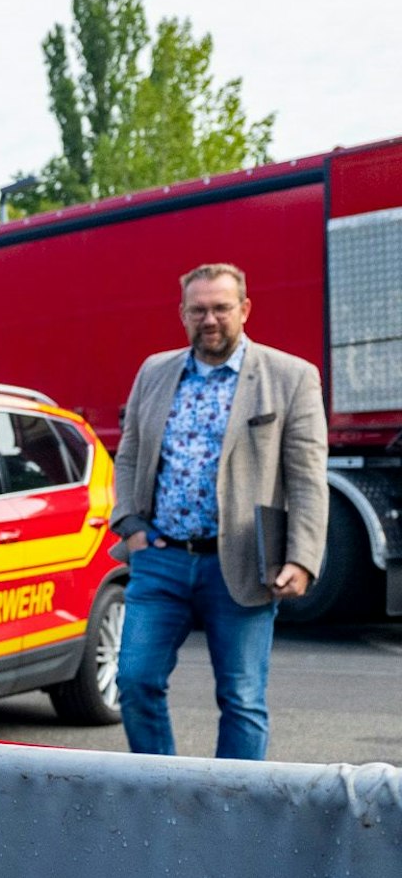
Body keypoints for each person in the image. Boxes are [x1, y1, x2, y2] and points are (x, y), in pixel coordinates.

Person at [110, 263, 327, 760]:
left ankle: (235, 814)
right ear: (183, 313)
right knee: (135, 681)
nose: (210, 319)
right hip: (160, 556)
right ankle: (161, 791)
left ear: (244, 309)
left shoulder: (290, 377)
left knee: (242, 699)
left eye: (221, 308)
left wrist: (301, 559)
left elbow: (308, 478)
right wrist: (131, 526)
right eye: (198, 309)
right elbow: (130, 454)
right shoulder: (155, 371)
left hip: (244, 562)